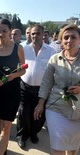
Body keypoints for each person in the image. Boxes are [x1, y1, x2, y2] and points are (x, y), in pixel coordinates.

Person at [34, 24, 80, 155]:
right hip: (56, 108)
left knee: (73, 148)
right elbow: (46, 82)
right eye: (66, 37)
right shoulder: (54, 59)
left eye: (73, 37)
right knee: (57, 147)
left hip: (78, 111)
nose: (69, 40)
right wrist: (40, 104)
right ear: (61, 40)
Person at [0, 19, 26, 155]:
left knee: (7, 125)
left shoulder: (18, 48)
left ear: (10, 31)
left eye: (4, 31)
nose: (1, 34)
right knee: (0, 121)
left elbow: (23, 70)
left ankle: (1, 151)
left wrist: (14, 76)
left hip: (12, 91)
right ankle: (4, 143)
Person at [16, 24, 56, 149]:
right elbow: (17, 65)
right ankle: (22, 136)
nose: (35, 36)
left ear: (43, 34)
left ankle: (33, 133)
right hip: (25, 87)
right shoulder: (23, 48)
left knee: (39, 115)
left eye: (38, 33)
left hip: (42, 90)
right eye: (33, 33)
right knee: (23, 113)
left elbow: (53, 71)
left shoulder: (51, 51)